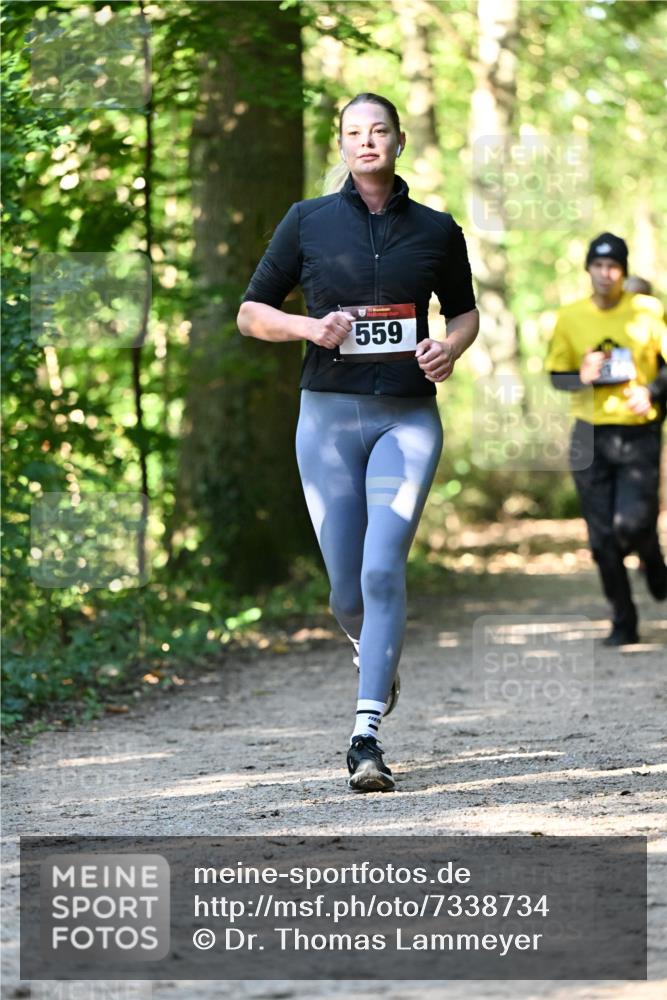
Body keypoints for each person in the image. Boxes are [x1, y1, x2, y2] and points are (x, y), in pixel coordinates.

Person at [237, 93, 478, 791]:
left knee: (381, 572)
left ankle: (364, 735)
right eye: (352, 132)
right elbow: (251, 313)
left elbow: (464, 315)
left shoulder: (436, 230)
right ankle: (376, 654)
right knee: (347, 593)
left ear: (399, 142)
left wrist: (448, 349)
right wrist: (308, 329)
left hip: (406, 417)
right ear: (341, 146)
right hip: (327, 417)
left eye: (378, 130)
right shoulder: (306, 221)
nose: (365, 141)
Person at [547, 232, 667, 646]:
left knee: (630, 525)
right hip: (588, 434)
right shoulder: (569, 317)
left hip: (638, 432)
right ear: (588, 271)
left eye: (613, 266)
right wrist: (578, 376)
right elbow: (556, 377)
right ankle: (623, 619)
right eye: (598, 266)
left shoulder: (648, 310)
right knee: (600, 538)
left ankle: (650, 554)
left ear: (623, 271)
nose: (605, 274)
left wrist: (650, 392)